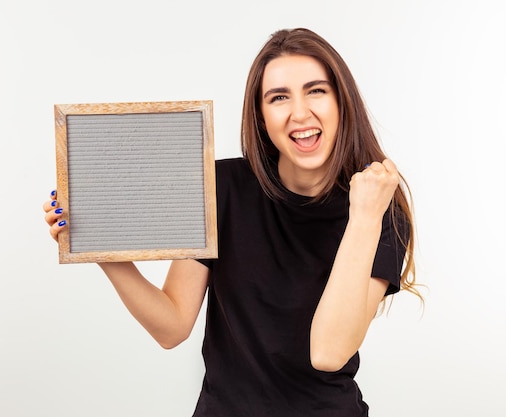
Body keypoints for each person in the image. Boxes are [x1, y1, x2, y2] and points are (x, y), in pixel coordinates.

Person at [43, 27, 422, 417]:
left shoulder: (379, 210)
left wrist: (363, 218)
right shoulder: (220, 187)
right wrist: (100, 247)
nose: (300, 112)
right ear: (260, 116)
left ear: (342, 101)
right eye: (278, 97)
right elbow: (172, 326)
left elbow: (328, 352)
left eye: (316, 90)